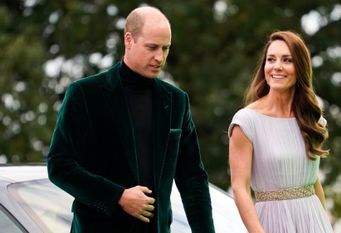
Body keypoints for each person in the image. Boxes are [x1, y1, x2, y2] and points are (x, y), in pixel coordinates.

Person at [47, 6, 215, 233]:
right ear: (129, 39)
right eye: (152, 47)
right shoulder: (85, 94)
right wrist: (118, 196)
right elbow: (60, 166)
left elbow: (193, 179)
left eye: (165, 48)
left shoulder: (177, 101)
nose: (160, 57)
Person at [228, 30, 333, 232]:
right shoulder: (246, 121)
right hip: (271, 223)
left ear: (300, 67)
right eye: (271, 59)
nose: (277, 66)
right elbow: (239, 188)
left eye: (287, 60)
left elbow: (313, 181)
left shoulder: (311, 118)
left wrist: (326, 225)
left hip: (314, 222)